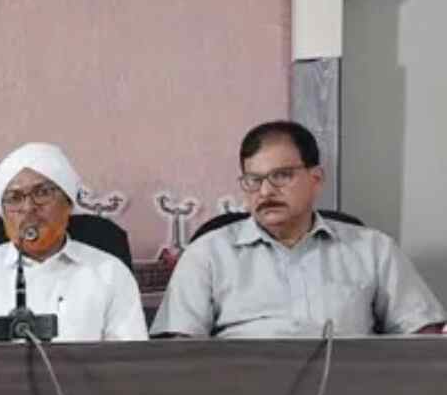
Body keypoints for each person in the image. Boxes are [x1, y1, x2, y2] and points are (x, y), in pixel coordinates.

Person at [153, 120, 445, 337]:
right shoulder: (207, 254)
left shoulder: (373, 250)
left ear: (316, 179)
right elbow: (178, 352)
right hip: (239, 394)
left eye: (281, 176)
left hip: (351, 392)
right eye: (254, 180)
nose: (265, 191)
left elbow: (423, 337)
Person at [0, 143, 147, 343]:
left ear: (68, 203)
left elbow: (130, 364)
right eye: (15, 198)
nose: (28, 208)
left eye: (42, 193)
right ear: (3, 214)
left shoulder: (109, 273)